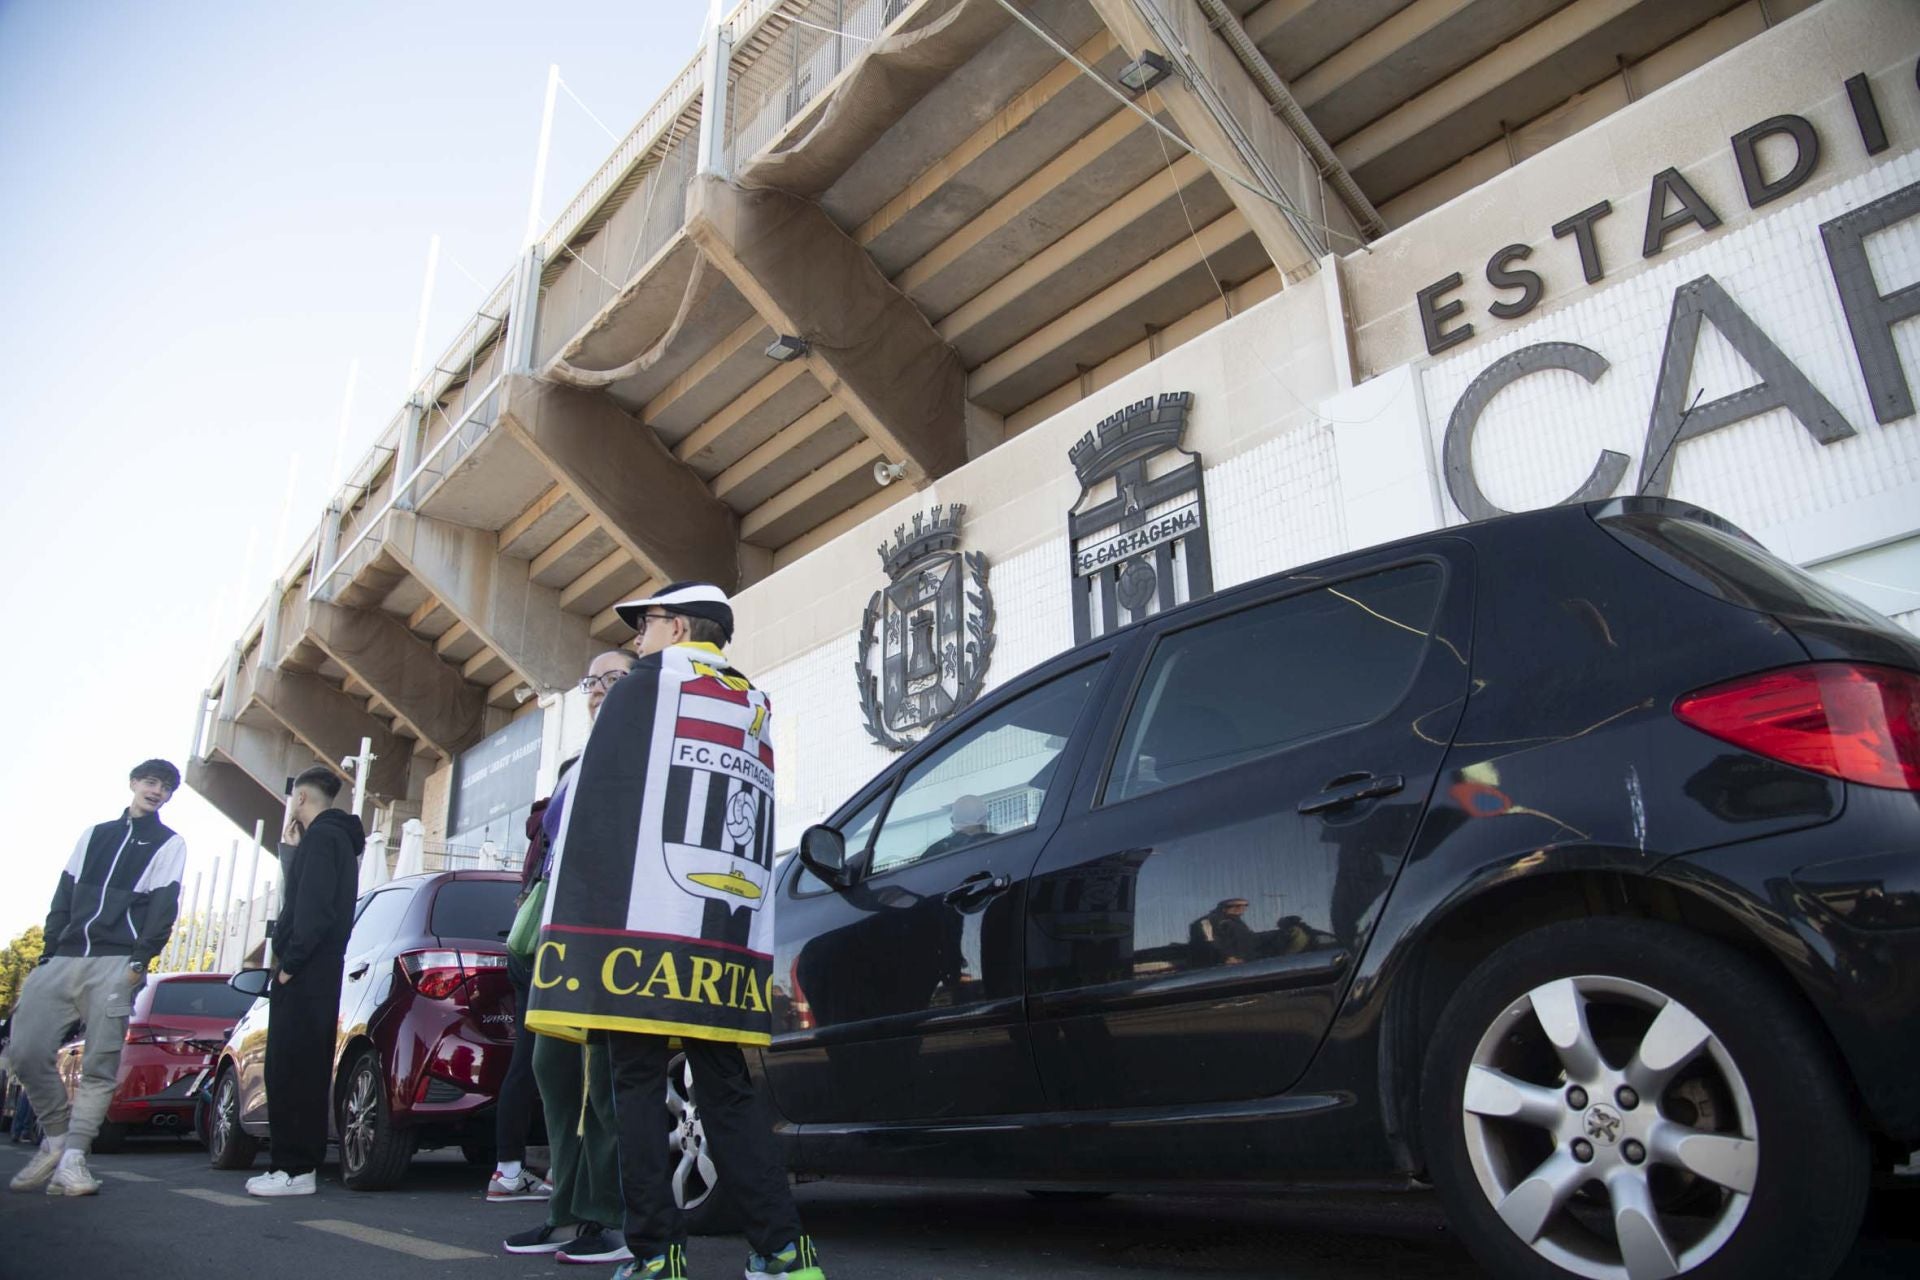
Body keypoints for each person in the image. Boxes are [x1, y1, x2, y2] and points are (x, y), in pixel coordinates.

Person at [528, 583, 824, 1280]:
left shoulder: (646, 685)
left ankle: (657, 1253)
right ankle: (783, 1249)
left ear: (680, 625)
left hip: (643, 931)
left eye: (647, 624)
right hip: (720, 936)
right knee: (728, 1089)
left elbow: (600, 815)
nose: (637, 639)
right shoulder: (753, 699)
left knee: (632, 1083)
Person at [502, 649, 636, 1266]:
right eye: (592, 680)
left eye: (616, 678)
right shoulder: (575, 767)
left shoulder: (641, 756)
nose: (600, 689)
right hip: (557, 936)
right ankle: (567, 1212)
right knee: (553, 1072)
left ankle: (612, 1216)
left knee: (604, 1081)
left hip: (609, 935)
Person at [8, 759, 187, 1197]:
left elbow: (163, 909)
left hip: (117, 962)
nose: (156, 791)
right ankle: (54, 1137)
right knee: (25, 1051)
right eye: (150, 782)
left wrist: (139, 961)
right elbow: (63, 894)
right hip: (64, 958)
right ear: (133, 784)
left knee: (98, 1065)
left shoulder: (169, 843)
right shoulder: (95, 834)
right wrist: (49, 954)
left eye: (165, 787)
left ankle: (74, 1159)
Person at [246, 766, 364, 1198]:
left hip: (307, 968)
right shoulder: (337, 840)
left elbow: (311, 911)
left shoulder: (322, 838)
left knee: (290, 1068)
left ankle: (293, 1169)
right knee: (304, 1067)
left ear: (299, 798)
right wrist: (291, 856)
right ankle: (296, 1167)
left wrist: (289, 965)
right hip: (324, 966)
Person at [1189, 898, 1257, 966]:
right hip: (1223, 967)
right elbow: (1209, 941)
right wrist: (1228, 957)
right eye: (1237, 906)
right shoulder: (1206, 922)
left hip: (1247, 963)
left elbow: (1249, 939)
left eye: (1245, 906)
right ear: (1223, 908)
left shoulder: (1238, 923)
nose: (1242, 908)